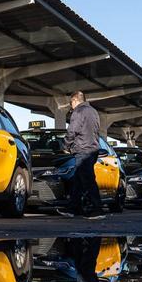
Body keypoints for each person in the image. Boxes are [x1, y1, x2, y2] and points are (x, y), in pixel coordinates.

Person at [59, 90, 104, 219]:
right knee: (77, 181)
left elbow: (72, 130)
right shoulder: (94, 112)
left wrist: (66, 145)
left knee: (88, 180)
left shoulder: (78, 111)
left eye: (70, 103)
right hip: (93, 149)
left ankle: (98, 210)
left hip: (83, 150)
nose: (71, 106)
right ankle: (73, 209)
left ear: (74, 100)